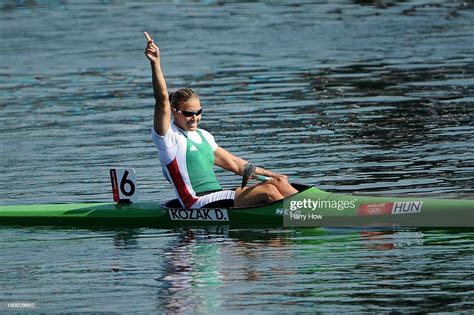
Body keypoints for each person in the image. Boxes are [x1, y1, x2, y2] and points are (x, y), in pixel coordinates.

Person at [144, 32, 298, 208]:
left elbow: (236, 164)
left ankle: (316, 212)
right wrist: (155, 63)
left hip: (218, 196)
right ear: (174, 111)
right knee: (268, 191)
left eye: (198, 112)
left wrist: (273, 175)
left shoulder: (204, 136)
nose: (195, 118)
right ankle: (304, 220)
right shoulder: (167, 138)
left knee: (277, 183)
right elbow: (161, 98)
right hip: (195, 202)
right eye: (188, 114)